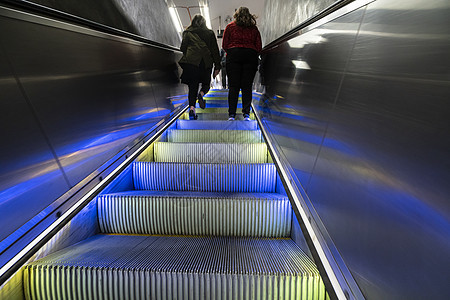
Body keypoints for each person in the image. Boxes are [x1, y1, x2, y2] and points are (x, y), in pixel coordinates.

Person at [222, 7, 262, 121]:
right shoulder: (254, 29)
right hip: (250, 56)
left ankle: (232, 115)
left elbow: (224, 45)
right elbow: (259, 46)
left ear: (236, 15)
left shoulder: (230, 27)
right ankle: (246, 114)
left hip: (234, 56)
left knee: (233, 87)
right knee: (246, 87)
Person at [179, 15, 221, 120]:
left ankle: (192, 108)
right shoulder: (210, 33)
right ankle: (201, 94)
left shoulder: (188, 33)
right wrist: (217, 66)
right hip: (205, 63)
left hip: (192, 63)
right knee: (206, 84)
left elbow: (182, 48)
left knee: (192, 86)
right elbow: (215, 50)